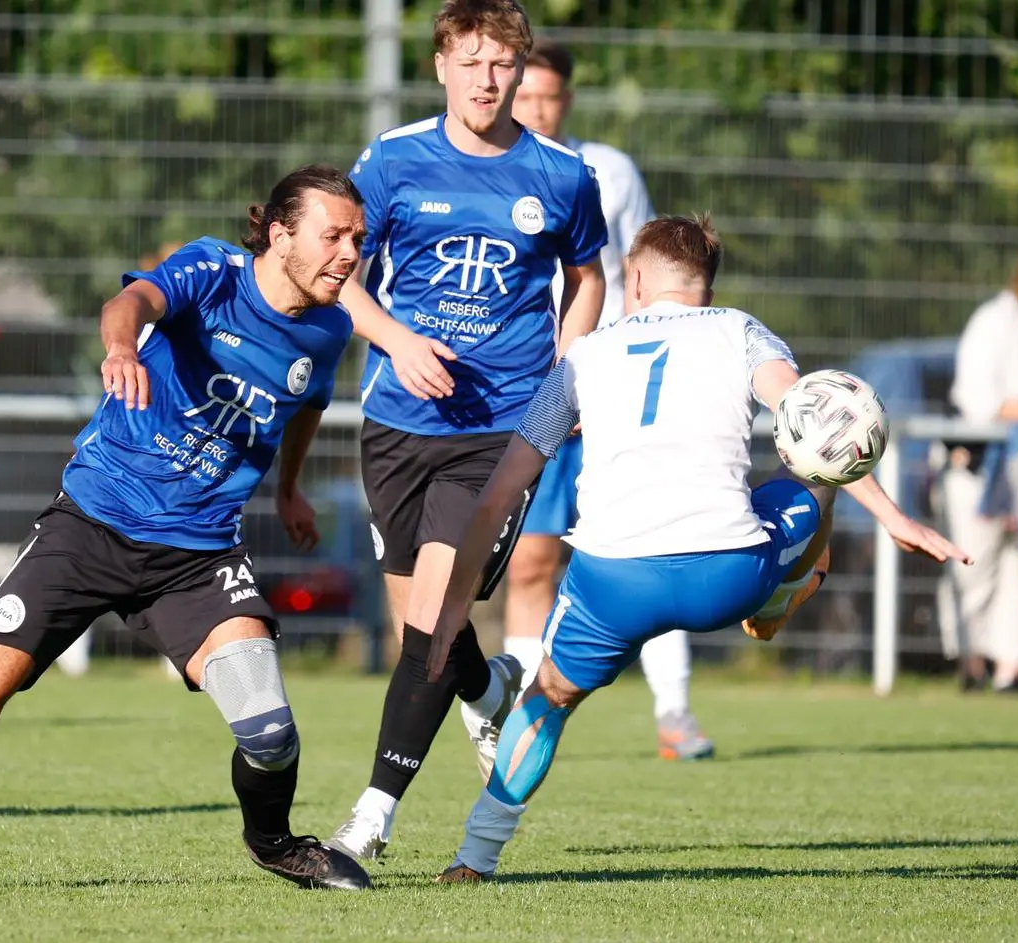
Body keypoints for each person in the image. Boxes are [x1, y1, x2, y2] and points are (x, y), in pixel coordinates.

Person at [0, 165, 373, 893]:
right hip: (92, 525)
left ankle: (275, 842)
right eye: (334, 236)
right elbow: (130, 300)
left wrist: (290, 490)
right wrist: (123, 349)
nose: (350, 253)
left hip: (196, 556)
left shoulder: (328, 328)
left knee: (269, 732)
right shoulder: (214, 271)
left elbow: (309, 401)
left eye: (358, 237)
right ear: (281, 234)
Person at [418, 215, 970, 882]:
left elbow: (501, 491)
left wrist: (454, 607)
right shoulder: (739, 331)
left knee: (548, 699)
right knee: (804, 475)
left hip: (613, 579)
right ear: (704, 284)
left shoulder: (584, 356)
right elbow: (818, 428)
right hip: (728, 571)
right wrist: (894, 516)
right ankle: (787, 585)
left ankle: (474, 858)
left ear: (639, 280)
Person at [327, 0, 608, 864]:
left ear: (522, 72)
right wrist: (399, 340)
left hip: (500, 430)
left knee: (436, 621)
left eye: (505, 65)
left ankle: (371, 815)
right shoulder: (393, 161)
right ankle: (488, 692)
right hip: (397, 424)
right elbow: (332, 269)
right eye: (474, 62)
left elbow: (587, 274)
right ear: (442, 65)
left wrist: (566, 372)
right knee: (430, 621)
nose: (490, 81)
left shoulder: (562, 175)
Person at [504, 43, 709, 760]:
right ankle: (519, 717)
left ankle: (675, 714)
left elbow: (650, 277)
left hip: (618, 394)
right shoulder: (490, 171)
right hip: (536, 392)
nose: (533, 108)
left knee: (659, 549)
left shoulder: (609, 170)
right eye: (522, 95)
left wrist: (620, 377)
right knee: (529, 561)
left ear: (568, 100)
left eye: (547, 97)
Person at [941, 249, 1018, 692]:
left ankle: (1010, 669)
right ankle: (972, 661)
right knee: (973, 563)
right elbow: (979, 401)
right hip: (980, 467)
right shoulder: (993, 323)